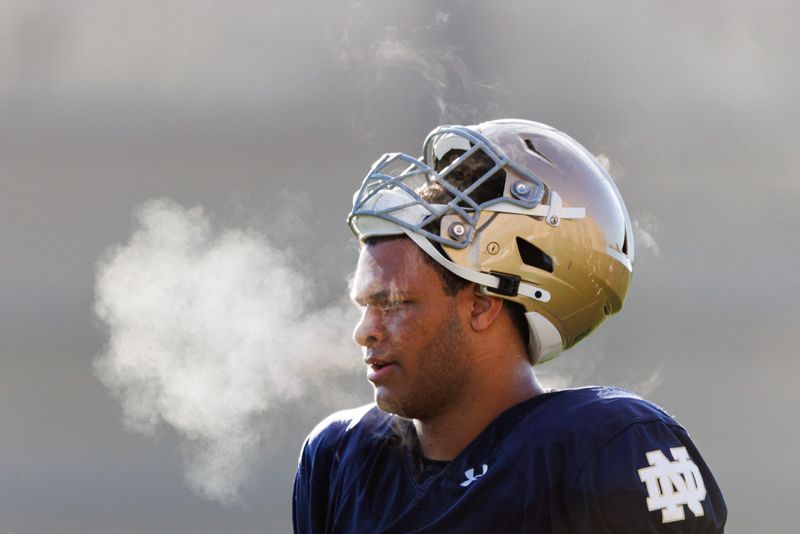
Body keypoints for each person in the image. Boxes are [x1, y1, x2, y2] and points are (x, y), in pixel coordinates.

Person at [292, 119, 727, 533]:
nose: (364, 331)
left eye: (395, 303)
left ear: (482, 305)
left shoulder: (605, 449)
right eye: (365, 305)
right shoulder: (341, 458)